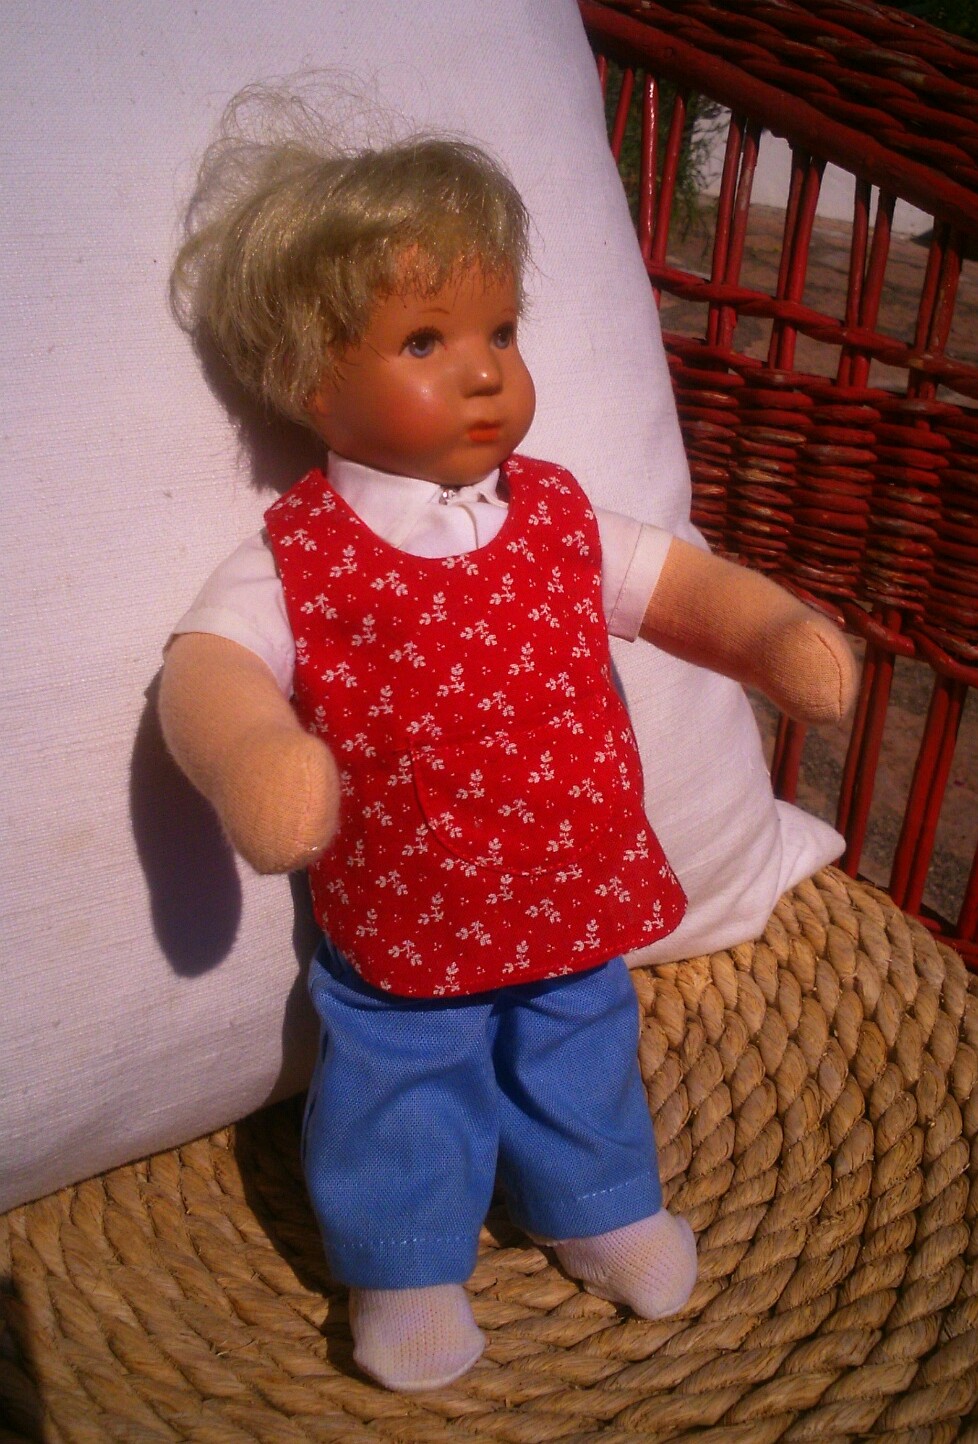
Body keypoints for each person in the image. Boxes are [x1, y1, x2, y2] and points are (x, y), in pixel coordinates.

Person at [161, 99, 855, 1392]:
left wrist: (771, 637)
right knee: (400, 1079)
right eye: (426, 340)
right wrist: (258, 757)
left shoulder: (557, 513)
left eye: (501, 331)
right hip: (410, 909)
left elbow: (673, 586)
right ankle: (406, 1263)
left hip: (574, 885)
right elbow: (209, 670)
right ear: (311, 382)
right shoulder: (302, 555)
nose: (484, 371)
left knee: (583, 1044)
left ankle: (598, 1201)